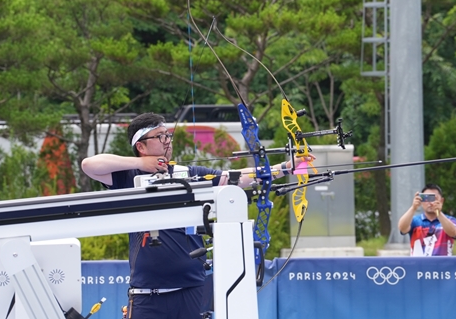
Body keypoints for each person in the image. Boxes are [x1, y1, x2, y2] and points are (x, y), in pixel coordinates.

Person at [82, 112, 312, 319]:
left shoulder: (188, 174)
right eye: (160, 136)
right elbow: (89, 165)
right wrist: (142, 163)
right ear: (141, 146)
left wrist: (285, 167)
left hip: (191, 290)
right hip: (147, 294)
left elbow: (236, 178)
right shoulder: (127, 177)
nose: (167, 141)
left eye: (168, 135)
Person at [398, 183, 456, 256]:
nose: (430, 202)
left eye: (433, 198)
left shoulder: (450, 220)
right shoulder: (415, 221)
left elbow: (453, 233)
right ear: (421, 200)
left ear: (441, 201)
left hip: (443, 266)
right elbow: (402, 228)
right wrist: (413, 208)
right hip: (419, 266)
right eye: (426, 198)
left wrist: (439, 213)